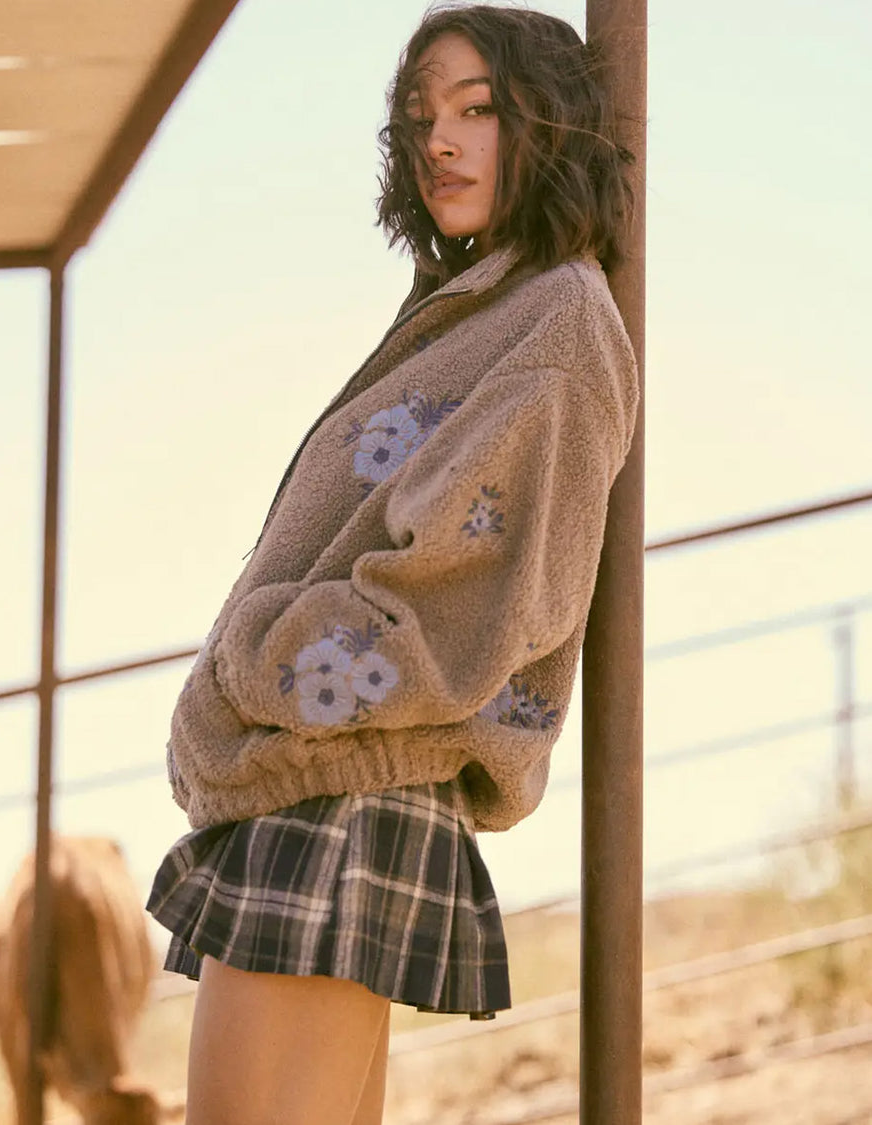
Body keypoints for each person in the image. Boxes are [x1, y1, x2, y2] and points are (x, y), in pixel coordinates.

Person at [147, 5, 639, 1124]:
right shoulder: (484, 310)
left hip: (343, 792)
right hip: (336, 788)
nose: (440, 141)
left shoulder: (558, 321)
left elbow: (478, 599)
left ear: (549, 126)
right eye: (421, 116)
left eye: (478, 111)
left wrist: (252, 663)